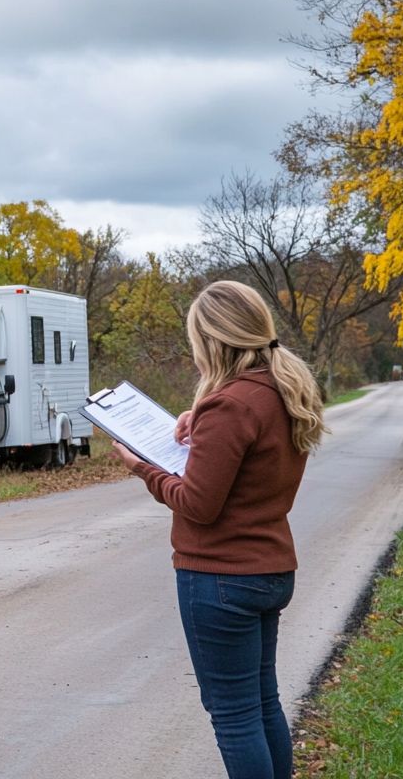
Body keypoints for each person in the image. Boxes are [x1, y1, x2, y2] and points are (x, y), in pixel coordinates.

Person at [111, 280, 326, 779]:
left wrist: (143, 467)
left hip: (220, 577)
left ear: (212, 340)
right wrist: (198, 419)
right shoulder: (281, 389)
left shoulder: (230, 404)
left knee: (233, 716)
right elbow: (245, 456)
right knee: (262, 703)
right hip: (269, 568)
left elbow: (197, 505)